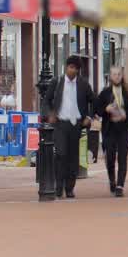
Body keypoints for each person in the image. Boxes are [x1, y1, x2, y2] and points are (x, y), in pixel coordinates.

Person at [47, 56, 96, 199]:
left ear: (78, 70)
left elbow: (94, 101)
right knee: (61, 154)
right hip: (60, 124)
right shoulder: (56, 82)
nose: (72, 70)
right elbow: (47, 100)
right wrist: (50, 113)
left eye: (75, 68)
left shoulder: (84, 85)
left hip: (76, 125)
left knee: (72, 158)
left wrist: (89, 117)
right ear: (66, 67)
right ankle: (58, 187)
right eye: (70, 67)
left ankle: (70, 188)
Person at [95, 65, 128, 197]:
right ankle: (112, 180)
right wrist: (106, 109)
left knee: (122, 157)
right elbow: (97, 110)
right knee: (110, 157)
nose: (117, 76)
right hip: (110, 129)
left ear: (122, 75)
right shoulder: (105, 92)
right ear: (110, 76)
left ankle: (120, 185)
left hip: (124, 129)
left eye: (119, 74)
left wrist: (126, 113)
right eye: (114, 74)